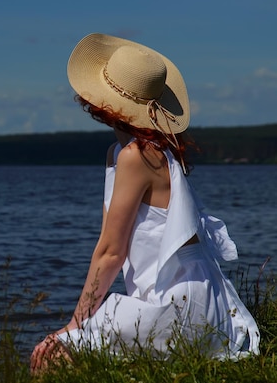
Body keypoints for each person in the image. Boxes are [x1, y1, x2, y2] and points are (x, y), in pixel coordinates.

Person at [30, 33, 260, 372]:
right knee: (64, 350)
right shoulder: (127, 153)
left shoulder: (137, 156)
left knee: (54, 355)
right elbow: (109, 241)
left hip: (179, 304)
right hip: (195, 298)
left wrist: (73, 325)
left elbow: (111, 253)